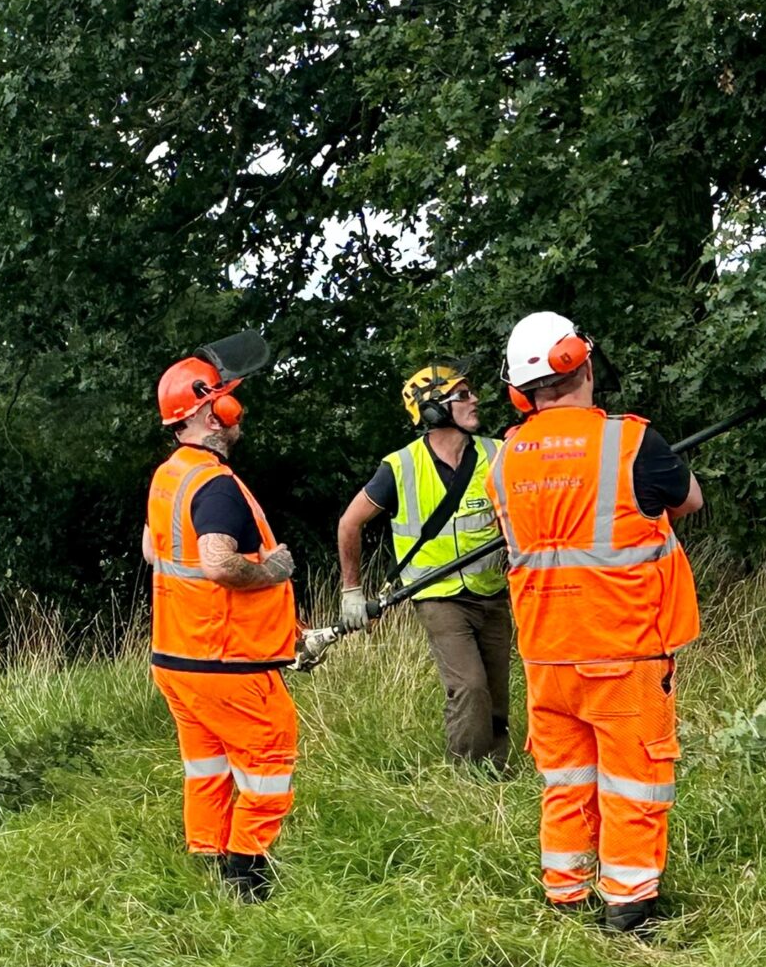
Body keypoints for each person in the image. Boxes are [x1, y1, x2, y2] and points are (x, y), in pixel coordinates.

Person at [487, 311, 702, 934]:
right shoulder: (631, 442)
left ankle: (566, 897)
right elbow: (689, 501)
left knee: (566, 782)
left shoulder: (503, 459)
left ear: (520, 391)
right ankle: (628, 910)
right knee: (634, 781)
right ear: (580, 363)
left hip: (546, 654)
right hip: (623, 650)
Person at [141, 351, 300, 899]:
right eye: (230, 401)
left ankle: (208, 862)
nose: (238, 411)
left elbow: (152, 549)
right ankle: (247, 875)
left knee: (207, 767)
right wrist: (272, 570)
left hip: (177, 657)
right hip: (225, 661)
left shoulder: (169, 476)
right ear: (213, 414)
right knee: (269, 760)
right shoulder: (215, 485)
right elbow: (216, 562)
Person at [333, 365, 513, 765]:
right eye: (462, 395)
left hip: (491, 591)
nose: (474, 399)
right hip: (438, 597)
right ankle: (467, 777)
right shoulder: (400, 466)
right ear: (433, 410)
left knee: (496, 691)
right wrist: (351, 591)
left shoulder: (498, 454)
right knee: (470, 687)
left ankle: (496, 773)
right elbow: (350, 523)